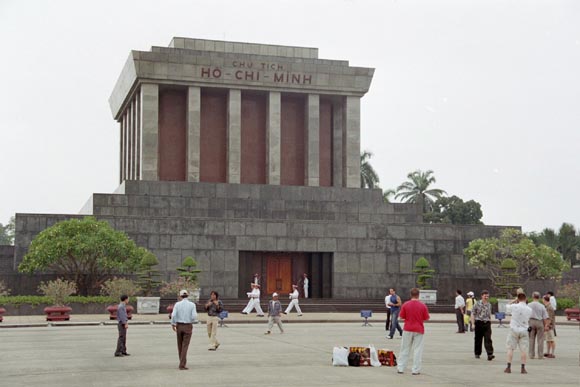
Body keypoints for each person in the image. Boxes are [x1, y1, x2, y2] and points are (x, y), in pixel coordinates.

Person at [396, 288, 430, 375]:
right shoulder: (423, 305)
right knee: (418, 350)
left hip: (407, 328)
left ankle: (401, 368)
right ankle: (415, 369)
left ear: (410, 295)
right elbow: (426, 318)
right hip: (419, 329)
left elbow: (401, 317)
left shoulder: (406, 305)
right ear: (418, 295)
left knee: (404, 348)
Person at [505, 292, 533, 374]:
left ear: (518, 298)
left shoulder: (514, 306)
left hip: (514, 329)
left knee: (510, 348)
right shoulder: (529, 309)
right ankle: (523, 368)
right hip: (524, 329)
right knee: (523, 350)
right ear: (525, 299)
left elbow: (506, 307)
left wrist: (513, 301)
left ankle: (508, 367)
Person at [171, 289, 198, 370]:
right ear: (188, 295)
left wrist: (173, 323)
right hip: (188, 326)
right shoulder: (192, 304)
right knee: (185, 346)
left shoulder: (177, 304)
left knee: (180, 345)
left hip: (179, 326)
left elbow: (173, 315)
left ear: (180, 296)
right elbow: (194, 316)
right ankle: (182, 364)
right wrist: (191, 321)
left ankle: (181, 361)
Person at [471, 290, 495, 361]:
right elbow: (473, 313)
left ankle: (490, 354)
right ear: (482, 296)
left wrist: (490, 320)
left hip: (487, 323)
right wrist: (472, 324)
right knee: (478, 339)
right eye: (485, 296)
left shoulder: (489, 304)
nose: (486, 297)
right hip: (478, 322)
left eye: (487, 296)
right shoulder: (477, 304)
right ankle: (477, 353)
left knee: (488, 339)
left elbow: (489, 314)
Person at [527, 291, 549, 360]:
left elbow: (525, 315)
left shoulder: (529, 305)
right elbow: (545, 317)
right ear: (539, 297)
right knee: (540, 339)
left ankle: (531, 355)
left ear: (533, 297)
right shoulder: (542, 306)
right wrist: (546, 325)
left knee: (531, 338)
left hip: (531, 321)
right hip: (539, 322)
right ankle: (540, 355)